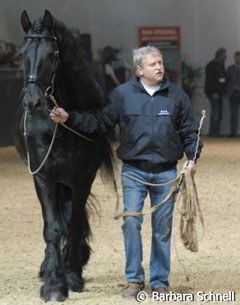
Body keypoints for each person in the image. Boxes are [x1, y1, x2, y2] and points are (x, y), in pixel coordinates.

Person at [50, 46, 202, 298]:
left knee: (162, 229)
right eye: (153, 64)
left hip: (166, 174)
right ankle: (133, 280)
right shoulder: (121, 95)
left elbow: (190, 131)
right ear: (139, 70)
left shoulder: (177, 96)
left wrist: (192, 158)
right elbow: (99, 122)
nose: (159, 67)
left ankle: (160, 281)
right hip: (134, 172)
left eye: (160, 62)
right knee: (131, 223)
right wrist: (69, 118)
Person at [204, 48, 227, 137]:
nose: (225, 57)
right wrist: (213, 92)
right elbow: (210, 81)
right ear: (220, 55)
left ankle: (216, 132)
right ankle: (213, 132)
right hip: (213, 93)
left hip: (221, 93)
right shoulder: (211, 65)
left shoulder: (222, 65)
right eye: (224, 56)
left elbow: (223, 79)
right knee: (215, 113)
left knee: (219, 113)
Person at [227, 51, 240, 137]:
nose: (238, 59)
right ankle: (233, 132)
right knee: (233, 114)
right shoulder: (230, 68)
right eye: (236, 57)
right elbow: (227, 81)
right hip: (233, 93)